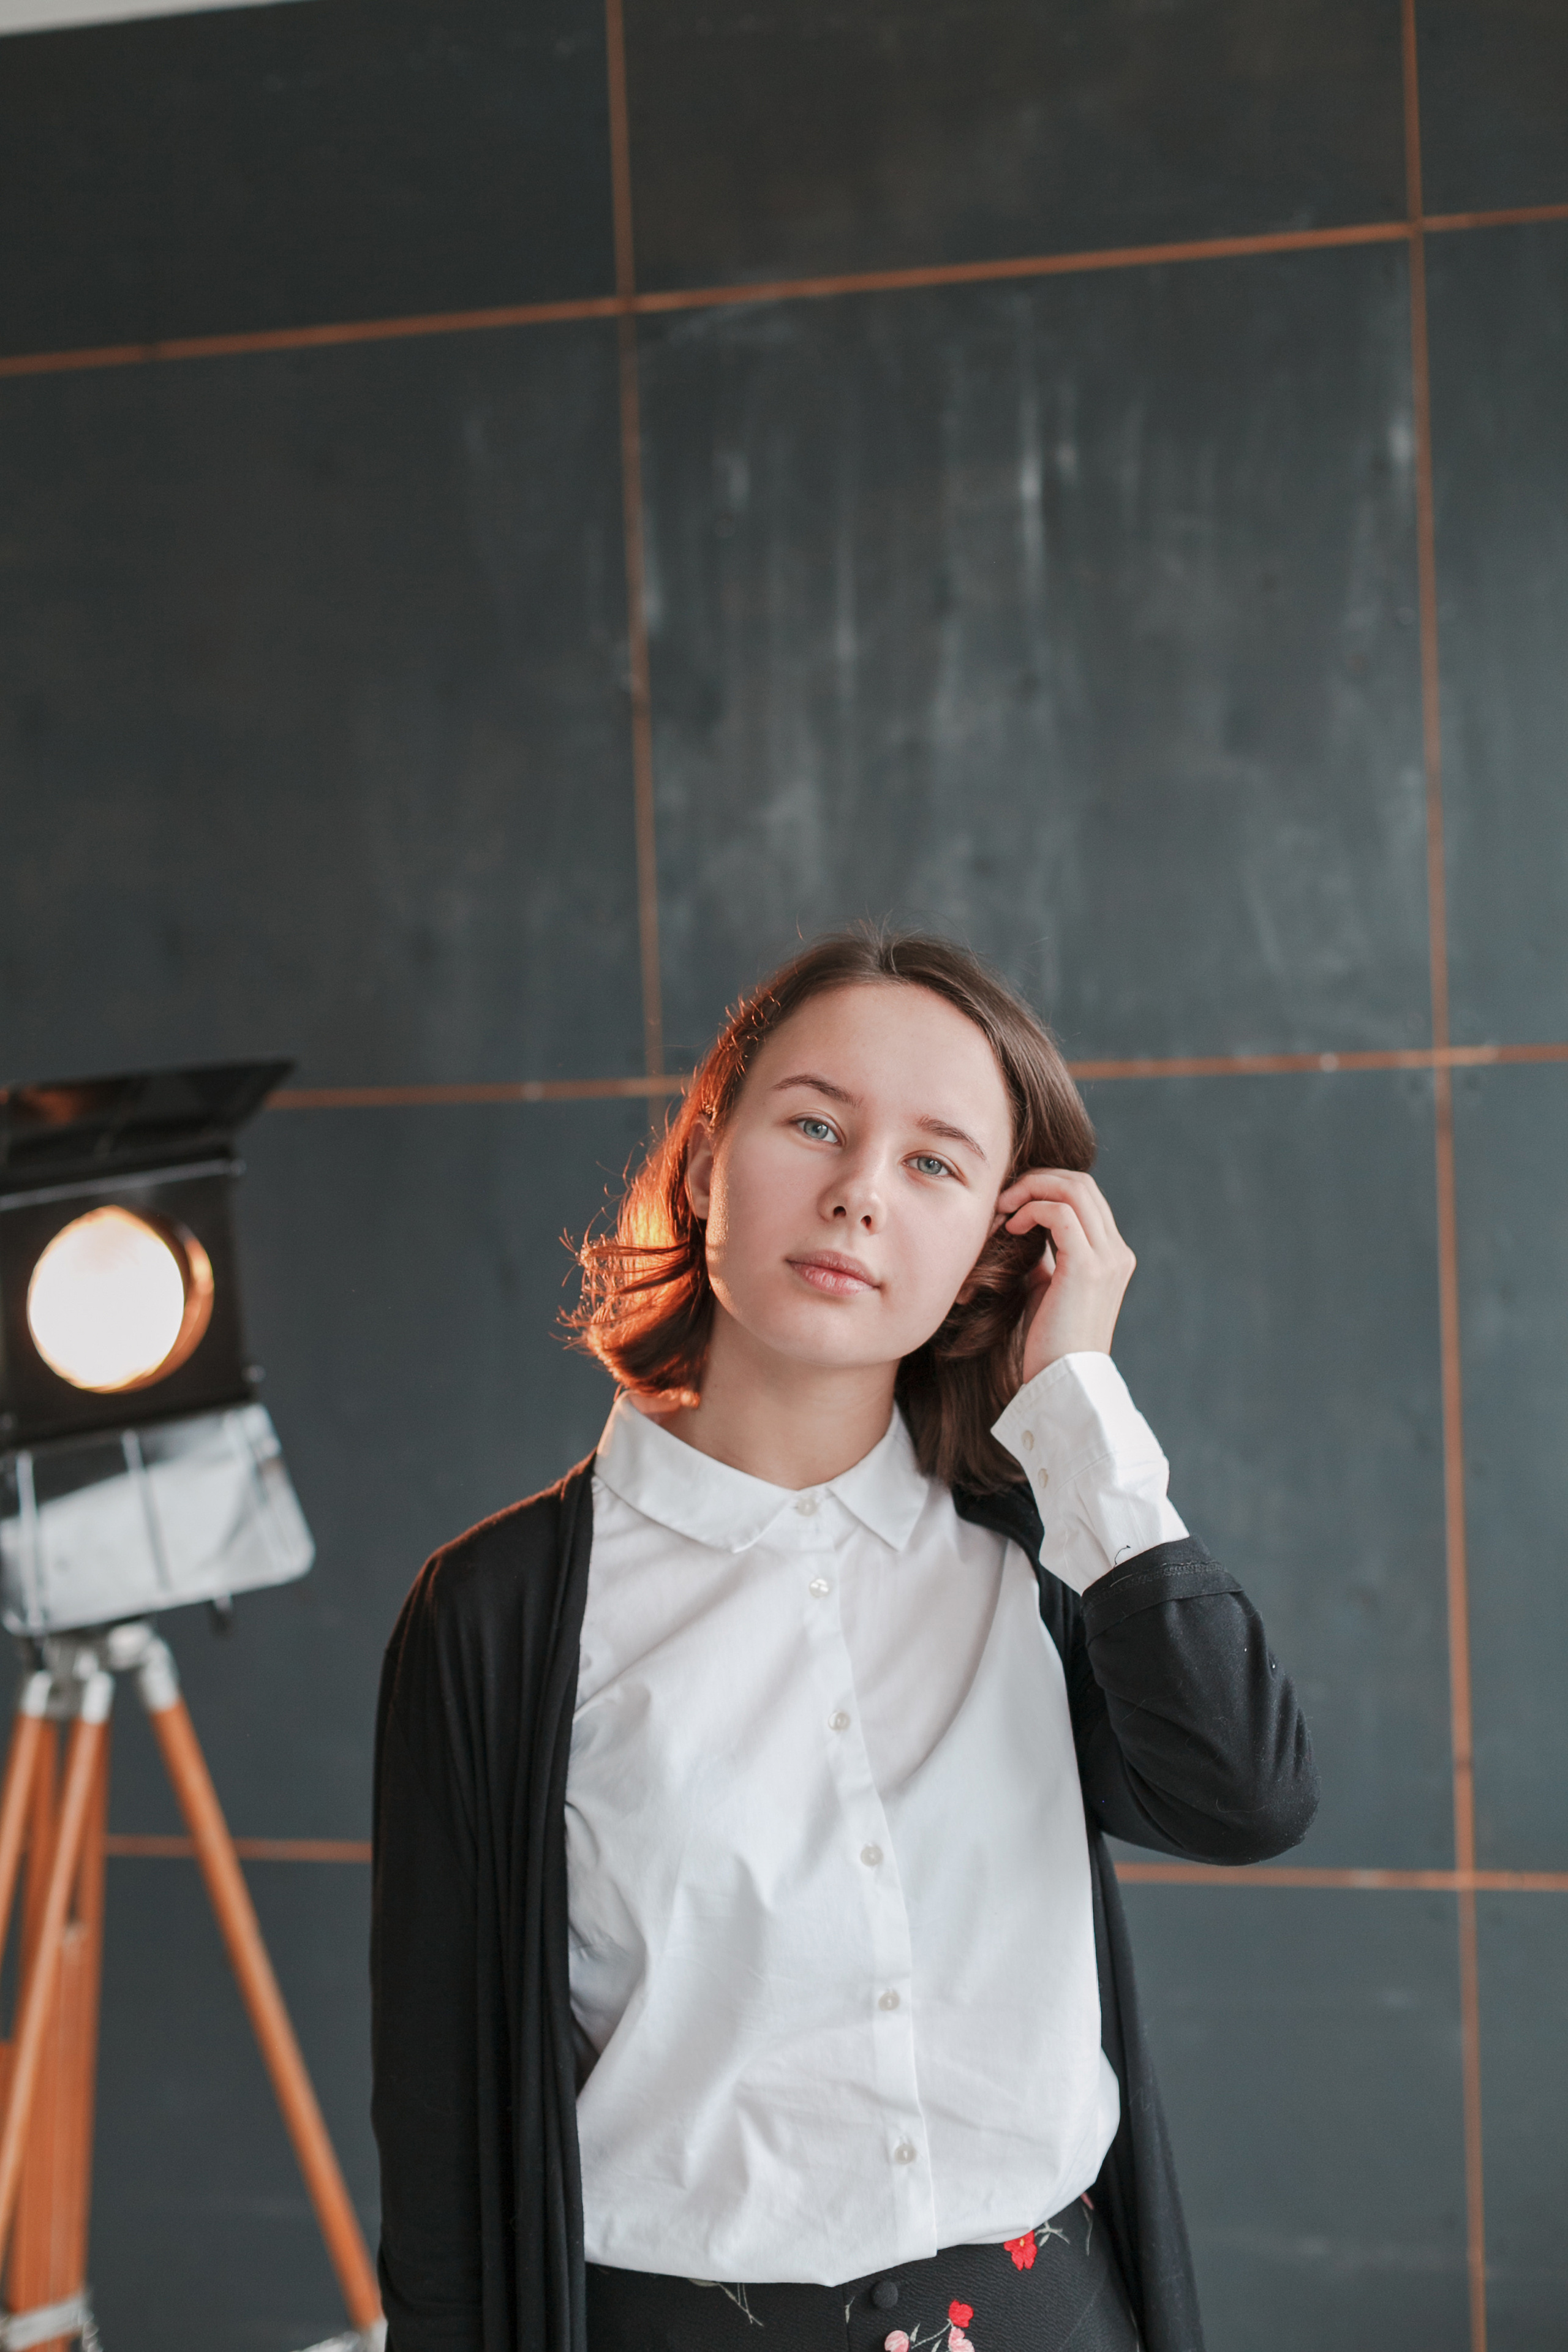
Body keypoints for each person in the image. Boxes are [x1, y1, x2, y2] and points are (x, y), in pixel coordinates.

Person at [371, 929, 1317, 2352]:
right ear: (703, 1167)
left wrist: (1074, 1399)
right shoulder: (498, 1614)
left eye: (935, 1163)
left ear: (1000, 1242)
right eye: (813, 1123)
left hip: (1048, 2318)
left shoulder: (1042, 1552)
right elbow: (444, 2136)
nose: (858, 1193)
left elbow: (1242, 1798)